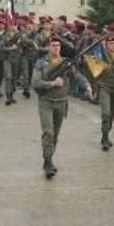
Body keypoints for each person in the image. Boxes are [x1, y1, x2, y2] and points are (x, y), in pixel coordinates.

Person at [32, 36, 93, 178]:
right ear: (48, 47)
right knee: (48, 132)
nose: (56, 48)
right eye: (53, 45)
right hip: (46, 102)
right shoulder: (41, 63)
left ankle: (49, 158)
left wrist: (87, 86)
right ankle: (48, 162)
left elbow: (77, 76)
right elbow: (35, 83)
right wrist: (51, 84)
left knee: (55, 134)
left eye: (58, 46)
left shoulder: (66, 63)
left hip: (61, 102)